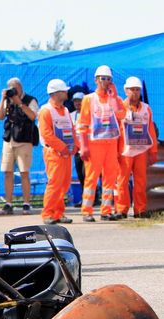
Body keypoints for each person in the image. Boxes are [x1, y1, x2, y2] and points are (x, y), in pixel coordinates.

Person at [76, 65, 126, 222]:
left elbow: (122, 115)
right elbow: (82, 124)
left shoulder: (116, 99)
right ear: (96, 80)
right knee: (91, 177)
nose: (106, 82)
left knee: (110, 178)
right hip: (94, 144)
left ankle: (106, 211)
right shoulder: (88, 99)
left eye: (109, 79)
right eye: (103, 79)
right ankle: (87, 211)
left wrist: (114, 98)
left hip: (111, 143)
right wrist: (83, 146)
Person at [115, 76, 158, 218]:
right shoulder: (119, 107)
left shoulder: (146, 109)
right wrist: (115, 151)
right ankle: (121, 210)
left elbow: (150, 129)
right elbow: (115, 131)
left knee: (141, 181)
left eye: (137, 90)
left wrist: (153, 152)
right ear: (126, 91)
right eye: (131, 89)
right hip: (125, 151)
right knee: (122, 181)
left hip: (141, 151)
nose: (134, 92)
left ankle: (140, 210)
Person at [0, 77, 39, 215]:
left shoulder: (30, 100)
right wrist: (3, 98)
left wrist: (20, 103)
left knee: (24, 172)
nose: (14, 91)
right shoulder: (8, 100)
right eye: (12, 89)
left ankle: (26, 203)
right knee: (7, 172)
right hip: (9, 139)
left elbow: (32, 116)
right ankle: (8, 203)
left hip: (24, 140)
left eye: (16, 88)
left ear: (20, 87)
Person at [38, 79, 77, 225]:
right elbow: (47, 134)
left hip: (66, 153)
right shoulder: (46, 111)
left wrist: (75, 145)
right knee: (54, 183)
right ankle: (48, 214)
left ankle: (58, 213)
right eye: (64, 91)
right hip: (54, 153)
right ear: (56, 93)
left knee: (64, 184)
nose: (67, 93)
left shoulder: (65, 110)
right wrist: (62, 147)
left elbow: (71, 129)